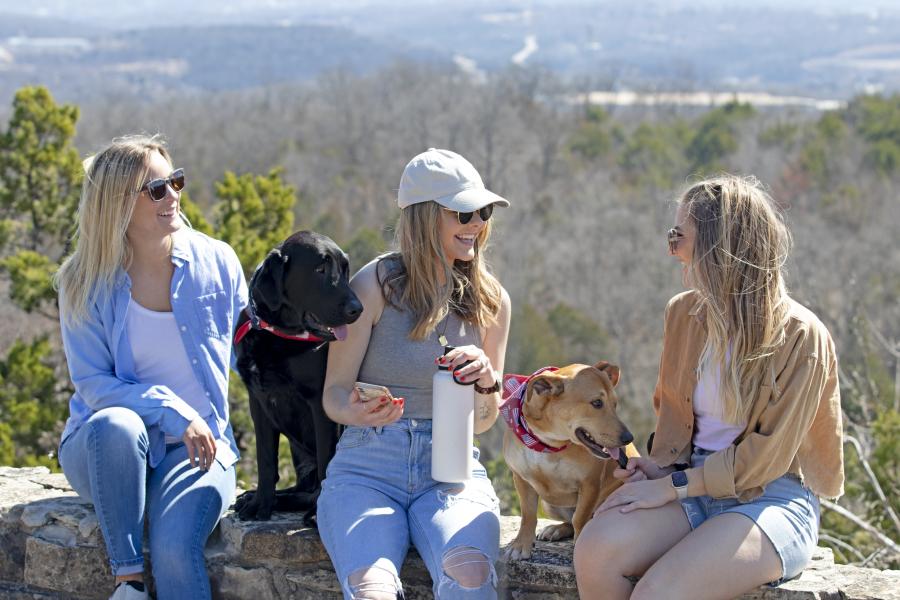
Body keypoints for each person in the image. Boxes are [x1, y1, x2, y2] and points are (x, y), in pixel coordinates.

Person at [573, 175, 844, 600]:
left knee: (659, 594)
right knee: (594, 552)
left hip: (768, 497)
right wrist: (661, 469)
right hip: (690, 481)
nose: (671, 249)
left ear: (721, 248)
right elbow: (675, 419)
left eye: (678, 236)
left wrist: (671, 487)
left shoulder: (801, 336)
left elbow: (763, 462)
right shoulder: (683, 314)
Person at [53, 135, 247, 600]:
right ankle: (128, 582)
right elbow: (95, 385)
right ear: (116, 204)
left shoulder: (216, 262)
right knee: (118, 424)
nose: (174, 195)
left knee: (177, 549)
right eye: (156, 189)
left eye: (175, 181)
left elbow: (256, 354)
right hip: (107, 450)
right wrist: (173, 412)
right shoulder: (82, 282)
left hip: (198, 448)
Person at [318, 148, 512, 599]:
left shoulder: (492, 302)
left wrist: (485, 381)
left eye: (483, 212)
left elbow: (484, 421)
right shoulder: (374, 285)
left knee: (471, 577)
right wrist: (359, 411)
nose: (478, 224)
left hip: (453, 468)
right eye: (464, 212)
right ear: (426, 218)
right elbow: (334, 394)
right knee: (372, 590)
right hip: (367, 466)